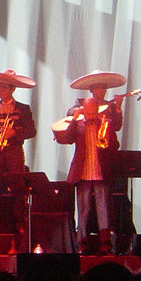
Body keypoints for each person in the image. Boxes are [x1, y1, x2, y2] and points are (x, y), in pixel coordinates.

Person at [55, 96, 117, 255]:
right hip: (83, 173)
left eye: (93, 113)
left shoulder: (104, 123)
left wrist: (107, 133)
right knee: (84, 210)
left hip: (100, 172)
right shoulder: (79, 125)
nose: (91, 116)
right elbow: (66, 139)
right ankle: (82, 242)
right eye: (88, 113)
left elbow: (115, 146)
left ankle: (105, 242)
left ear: (97, 111)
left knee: (103, 210)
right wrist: (74, 120)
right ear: (83, 111)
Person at [0, 69, 36, 232]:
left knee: (18, 187)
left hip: (14, 152)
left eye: (4, 88)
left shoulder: (22, 108)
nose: (1, 91)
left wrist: (15, 132)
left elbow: (31, 131)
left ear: (12, 89)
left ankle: (20, 223)